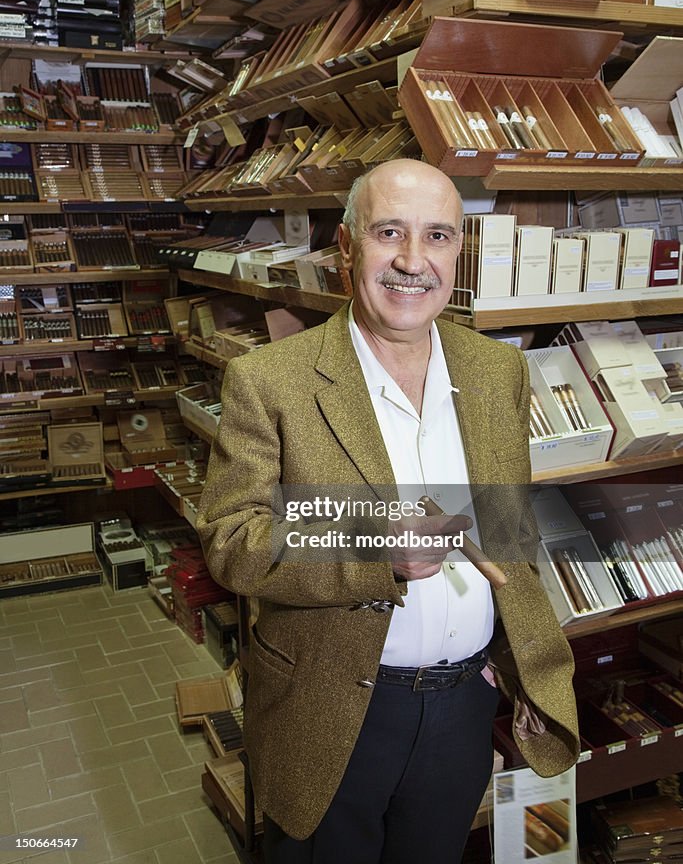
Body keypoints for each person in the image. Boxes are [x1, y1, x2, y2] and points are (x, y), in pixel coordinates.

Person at [197, 159, 579, 864]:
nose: (412, 261)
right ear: (345, 246)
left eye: (436, 236)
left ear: (457, 250)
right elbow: (232, 540)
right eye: (387, 233)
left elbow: (504, 524)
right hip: (331, 707)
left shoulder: (498, 372)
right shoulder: (270, 380)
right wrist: (374, 549)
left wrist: (511, 654)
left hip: (465, 701)